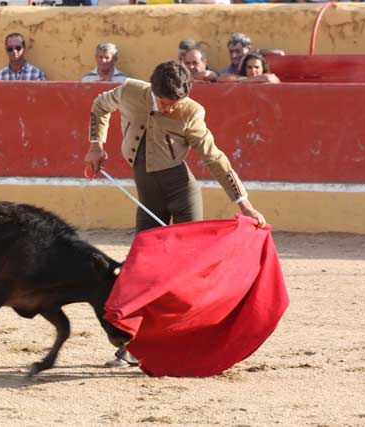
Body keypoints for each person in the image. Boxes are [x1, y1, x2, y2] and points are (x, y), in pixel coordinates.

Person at [84, 61, 266, 368]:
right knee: (143, 271)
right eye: (165, 103)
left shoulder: (191, 111)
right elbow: (100, 105)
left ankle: (193, 338)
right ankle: (134, 344)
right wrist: (95, 146)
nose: (170, 109)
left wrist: (243, 203)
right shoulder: (130, 91)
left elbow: (214, 158)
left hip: (181, 193)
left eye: (175, 103)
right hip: (149, 196)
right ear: (153, 91)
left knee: (188, 273)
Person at [218, 32, 284, 78]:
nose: (233, 56)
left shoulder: (256, 64)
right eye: (231, 52)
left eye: (238, 51)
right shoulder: (226, 72)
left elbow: (280, 53)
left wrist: (257, 52)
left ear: (248, 49)